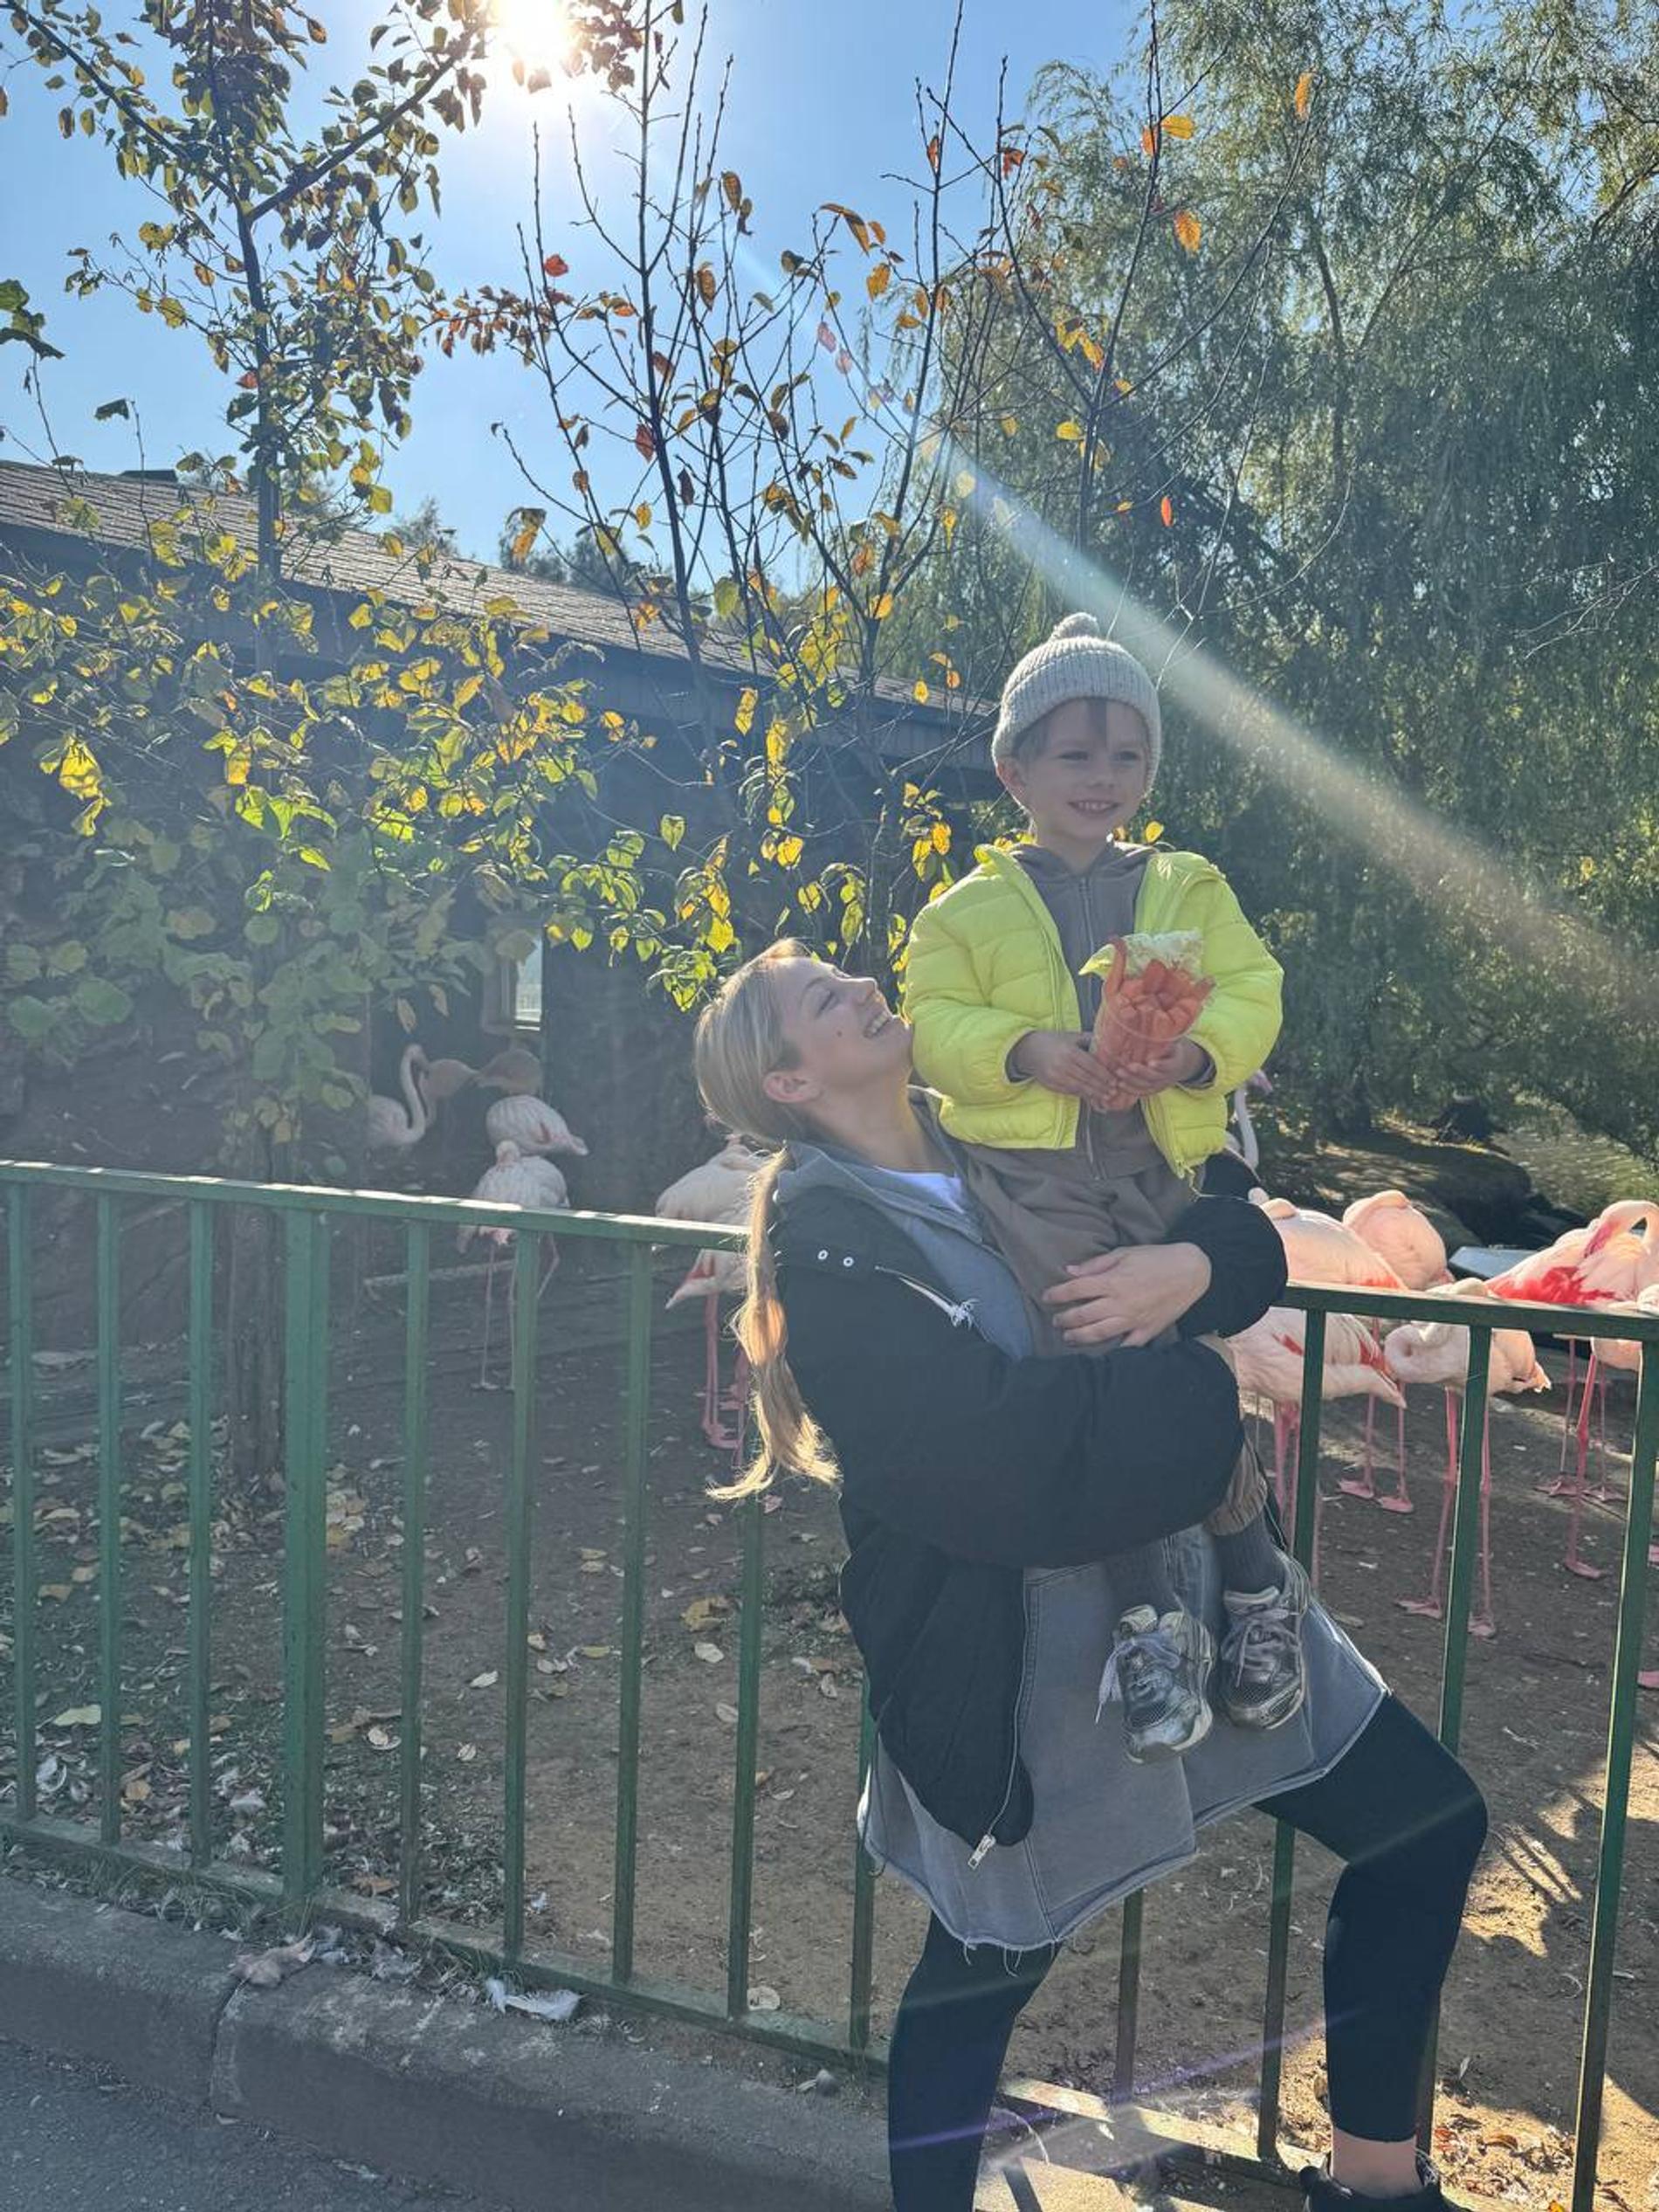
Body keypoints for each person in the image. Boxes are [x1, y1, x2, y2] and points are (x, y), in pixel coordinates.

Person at [693, 941, 1487, 2212]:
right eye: (823, 1001)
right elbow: (989, 1465)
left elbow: (1232, 1206)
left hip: (1212, 1590)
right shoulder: (832, 1244)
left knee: (1427, 1825)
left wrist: (1197, 1269)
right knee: (987, 1959)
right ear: (788, 1081)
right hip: (1028, 1647)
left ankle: (1377, 2189)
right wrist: (1203, 1397)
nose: (864, 987)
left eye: (848, 975)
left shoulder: (1015, 1120)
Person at [902, 611, 1293, 1762]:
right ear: (1014, 769)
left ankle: (1248, 1582)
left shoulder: (1186, 885)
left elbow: (1253, 988)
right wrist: (1024, 1049)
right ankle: (1158, 1612)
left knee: (1167, 1361)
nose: (1103, 776)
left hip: (1159, 1164)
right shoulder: (964, 909)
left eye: (1127, 754)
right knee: (1098, 1353)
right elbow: (930, 1021)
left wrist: (1194, 1054)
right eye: (1075, 753)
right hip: (1036, 1180)